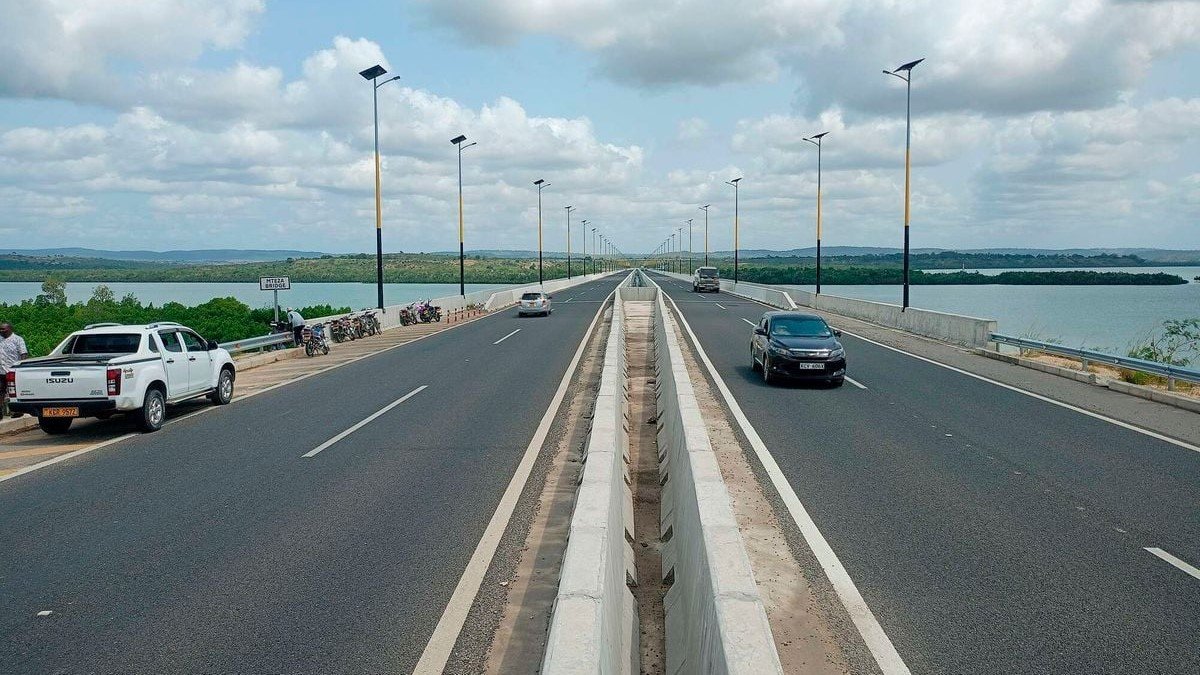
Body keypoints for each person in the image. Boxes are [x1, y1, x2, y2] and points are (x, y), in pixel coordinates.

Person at [0, 322, 29, 419]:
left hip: (12, 370)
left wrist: (21, 368)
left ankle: (17, 411)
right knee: (1, 390)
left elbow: (23, 354)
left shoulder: (18, 339)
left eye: (3, 329)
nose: (1, 331)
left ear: (9, 329)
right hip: (1, 370)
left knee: (13, 391)